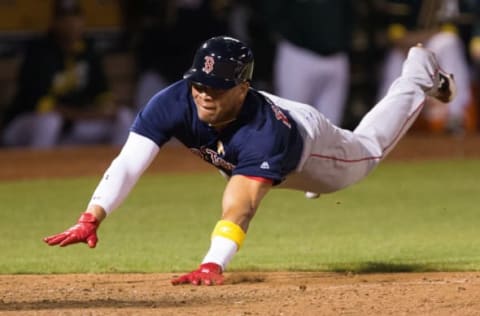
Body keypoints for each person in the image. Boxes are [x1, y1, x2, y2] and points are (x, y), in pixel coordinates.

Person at [43, 36, 456, 285]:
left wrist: (212, 263)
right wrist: (91, 215)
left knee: (366, 153)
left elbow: (240, 205)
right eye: (200, 84)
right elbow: (131, 161)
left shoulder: (263, 134)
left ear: (242, 88)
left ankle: (418, 75)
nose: (204, 93)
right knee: (250, 167)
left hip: (306, 143)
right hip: (264, 145)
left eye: (217, 87)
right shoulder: (173, 100)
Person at [1, 0, 133, 148]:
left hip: (73, 125)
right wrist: (85, 115)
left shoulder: (89, 51)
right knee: (50, 121)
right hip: (27, 125)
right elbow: (43, 106)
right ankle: (37, 169)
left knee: (123, 116)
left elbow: (101, 92)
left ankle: (114, 169)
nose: (71, 23)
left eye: (76, 17)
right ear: (54, 22)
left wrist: (107, 107)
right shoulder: (39, 52)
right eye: (65, 18)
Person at [376, 0, 472, 134]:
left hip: (433, 44)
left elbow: (451, 29)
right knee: (395, 59)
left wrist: (419, 40)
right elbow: (395, 34)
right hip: (406, 47)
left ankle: (455, 115)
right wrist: (410, 42)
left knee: (449, 42)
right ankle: (383, 122)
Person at [260, 0, 355, 127]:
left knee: (332, 129)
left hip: (336, 55)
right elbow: (271, 10)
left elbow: (351, 11)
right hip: (298, 54)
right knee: (292, 126)